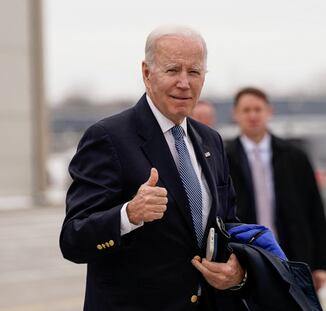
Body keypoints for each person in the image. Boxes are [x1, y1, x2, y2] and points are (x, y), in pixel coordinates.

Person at [59, 25, 247, 311]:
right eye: (173, 70)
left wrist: (238, 271)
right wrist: (129, 214)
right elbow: (73, 238)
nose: (184, 83)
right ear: (147, 73)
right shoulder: (108, 138)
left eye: (194, 72)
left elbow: (229, 225)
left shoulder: (211, 141)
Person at [226, 86, 326, 292]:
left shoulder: (294, 156)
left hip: (292, 254)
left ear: (269, 111)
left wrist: (322, 264)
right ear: (235, 115)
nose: (253, 115)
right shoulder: (224, 158)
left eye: (258, 109)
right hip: (245, 256)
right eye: (246, 110)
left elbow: (315, 210)